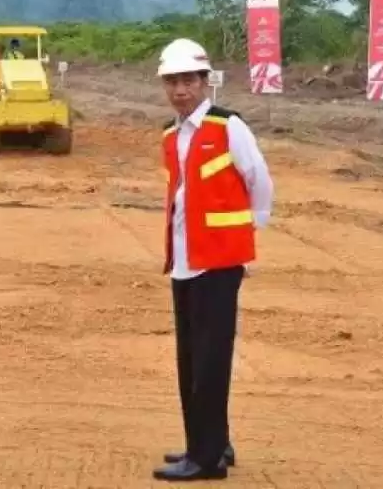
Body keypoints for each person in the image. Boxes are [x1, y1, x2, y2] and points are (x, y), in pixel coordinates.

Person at [150, 38, 273, 482]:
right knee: (191, 358)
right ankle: (210, 442)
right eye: (173, 82)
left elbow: (259, 181)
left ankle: (205, 461)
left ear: (206, 82)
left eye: (189, 80)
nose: (181, 90)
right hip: (184, 260)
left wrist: (247, 235)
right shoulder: (170, 134)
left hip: (219, 263)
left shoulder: (228, 127)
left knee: (210, 360)